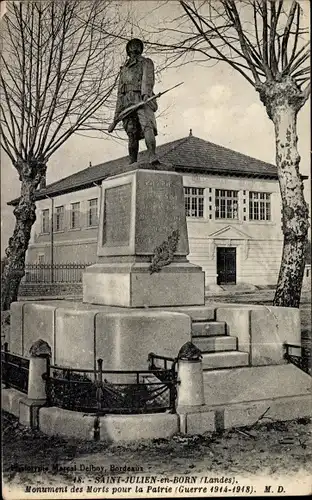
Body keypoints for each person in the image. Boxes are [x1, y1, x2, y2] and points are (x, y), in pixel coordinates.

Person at [113, 38, 158, 164]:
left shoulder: (146, 62)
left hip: (141, 98)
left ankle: (152, 155)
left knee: (147, 126)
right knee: (131, 132)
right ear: (128, 50)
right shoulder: (124, 69)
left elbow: (147, 80)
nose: (134, 49)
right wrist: (117, 113)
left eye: (136, 46)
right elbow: (119, 92)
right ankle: (133, 161)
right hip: (127, 102)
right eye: (131, 47)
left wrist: (145, 95)